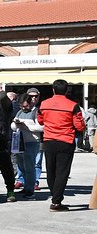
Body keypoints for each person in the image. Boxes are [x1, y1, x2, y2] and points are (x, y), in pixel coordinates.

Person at [37, 79, 86, 211]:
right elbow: (79, 126)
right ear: (66, 90)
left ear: (53, 89)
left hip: (48, 140)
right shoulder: (73, 105)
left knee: (51, 171)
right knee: (62, 172)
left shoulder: (44, 104)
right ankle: (56, 201)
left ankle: (55, 196)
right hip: (65, 140)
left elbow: (40, 121)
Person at [12, 87, 43, 200]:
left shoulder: (36, 112)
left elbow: (41, 127)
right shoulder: (20, 112)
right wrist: (16, 124)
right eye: (21, 106)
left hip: (32, 142)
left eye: (26, 106)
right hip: (19, 142)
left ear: (30, 103)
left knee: (30, 167)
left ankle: (30, 190)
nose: (24, 108)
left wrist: (27, 127)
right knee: (21, 166)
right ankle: (25, 186)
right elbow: (13, 126)